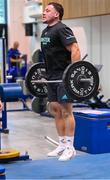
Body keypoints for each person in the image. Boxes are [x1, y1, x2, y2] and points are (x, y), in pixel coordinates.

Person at [41, 2, 81, 161]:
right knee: (56, 110)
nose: (44, 13)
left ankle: (70, 148)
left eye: (47, 10)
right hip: (51, 77)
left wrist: (73, 73)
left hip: (63, 76)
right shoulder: (46, 31)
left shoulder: (62, 29)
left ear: (56, 14)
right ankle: (62, 144)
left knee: (66, 111)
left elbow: (75, 49)